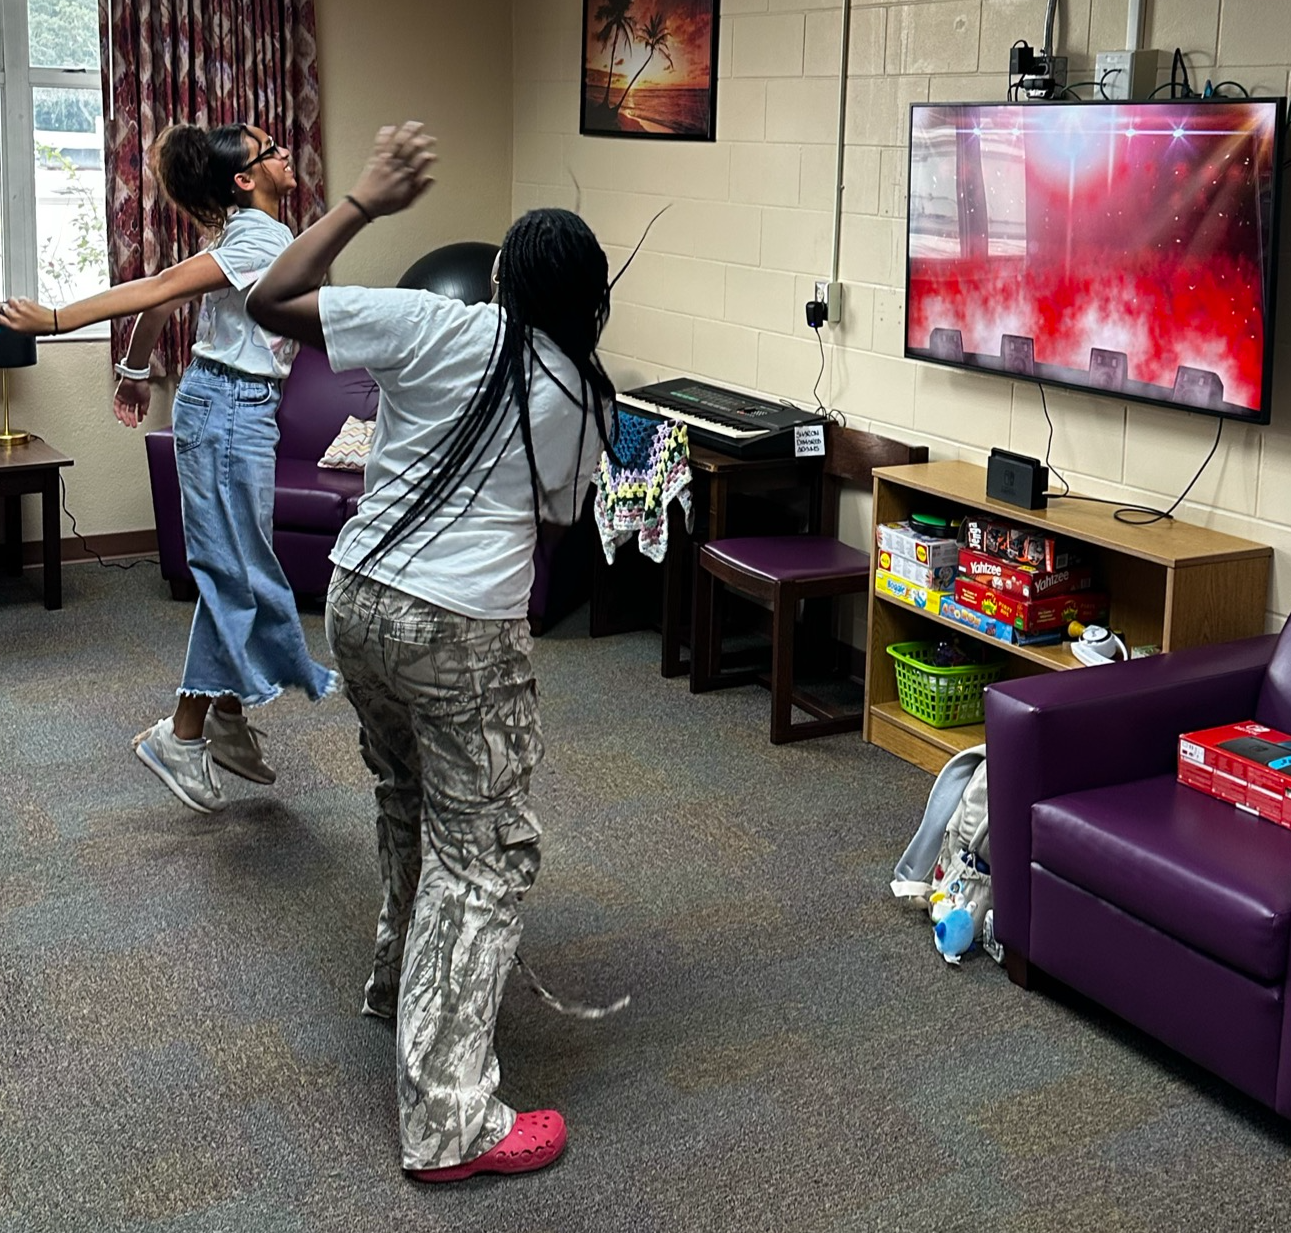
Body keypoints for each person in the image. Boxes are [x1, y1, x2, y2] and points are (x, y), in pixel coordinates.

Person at [246, 122, 620, 1182]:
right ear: (591, 300)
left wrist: (362, 203)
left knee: (407, 795)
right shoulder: (586, 394)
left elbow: (270, 300)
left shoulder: (432, 322)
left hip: (356, 603)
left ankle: (397, 987)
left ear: (499, 277)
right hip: (461, 630)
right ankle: (450, 1123)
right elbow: (553, 523)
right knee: (483, 855)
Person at [0, 122, 337, 814]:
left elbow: (168, 297)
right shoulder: (260, 238)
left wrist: (133, 370)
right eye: (269, 150)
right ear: (245, 178)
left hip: (233, 409)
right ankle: (182, 733)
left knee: (236, 571)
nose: (284, 152)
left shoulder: (245, 234)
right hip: (229, 412)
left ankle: (226, 716)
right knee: (235, 576)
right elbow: (162, 283)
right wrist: (57, 318)